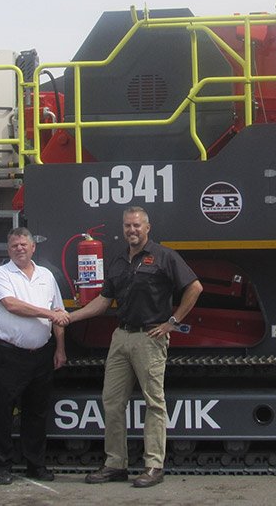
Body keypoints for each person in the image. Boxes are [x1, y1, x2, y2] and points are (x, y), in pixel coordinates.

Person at [67, 206, 202, 488]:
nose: (132, 230)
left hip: (150, 338)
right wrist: (69, 317)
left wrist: (172, 322)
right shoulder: (118, 262)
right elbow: (103, 302)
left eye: (137, 225)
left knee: (154, 403)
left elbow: (195, 287)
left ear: (147, 228)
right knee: (112, 402)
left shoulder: (164, 256)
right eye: (128, 226)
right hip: (121, 337)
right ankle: (115, 464)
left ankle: (154, 466)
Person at [0, 227, 69, 485]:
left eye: (24, 244)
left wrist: (60, 348)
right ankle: (2, 466)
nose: (20, 248)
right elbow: (12, 305)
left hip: (42, 355)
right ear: (8, 250)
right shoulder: (1, 275)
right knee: (5, 411)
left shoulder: (46, 276)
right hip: (11, 355)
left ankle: (36, 465)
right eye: (14, 246)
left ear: (33, 247)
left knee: (36, 412)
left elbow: (59, 313)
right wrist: (48, 314)